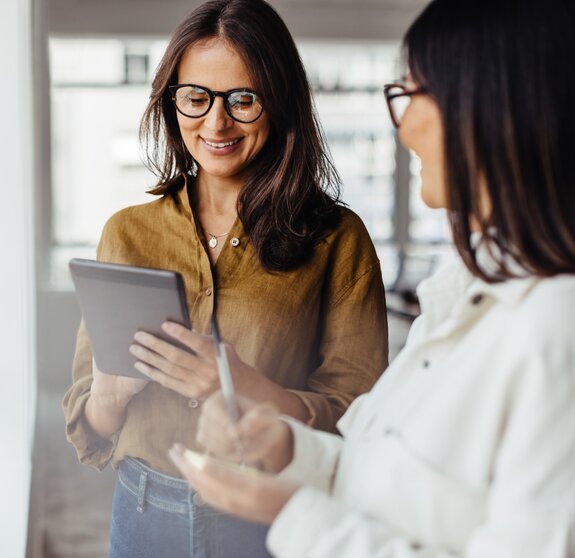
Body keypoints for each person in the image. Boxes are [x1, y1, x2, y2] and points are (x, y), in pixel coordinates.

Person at [169, 0, 575, 556]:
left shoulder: (556, 329)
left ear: (499, 108)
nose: (403, 125)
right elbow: (382, 469)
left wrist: (295, 516)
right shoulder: (460, 292)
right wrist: (291, 449)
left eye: (416, 94)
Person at [62, 0, 389, 557]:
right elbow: (87, 429)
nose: (216, 123)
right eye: (196, 98)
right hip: (141, 515)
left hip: (271, 520)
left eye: (243, 99)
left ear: (280, 103)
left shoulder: (338, 239)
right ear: (172, 103)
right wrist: (110, 399)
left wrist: (238, 386)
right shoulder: (127, 233)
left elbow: (364, 423)